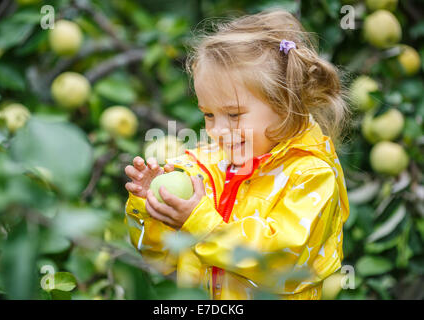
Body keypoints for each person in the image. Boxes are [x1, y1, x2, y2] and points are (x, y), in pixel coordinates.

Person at [124, 8, 351, 300]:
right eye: (208, 114)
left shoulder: (310, 177)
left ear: (284, 104)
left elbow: (282, 263)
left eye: (233, 114)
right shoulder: (203, 167)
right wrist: (153, 209)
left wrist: (200, 224)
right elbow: (160, 260)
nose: (218, 130)